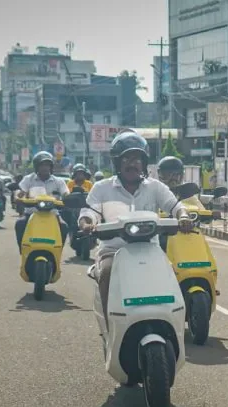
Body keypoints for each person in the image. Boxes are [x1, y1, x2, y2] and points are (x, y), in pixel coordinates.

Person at [78, 131, 192, 314]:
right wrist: (86, 224)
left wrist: (184, 217)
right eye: (127, 159)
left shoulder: (155, 187)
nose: (133, 164)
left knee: (171, 273)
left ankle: (171, 321)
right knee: (106, 273)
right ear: (117, 163)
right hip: (113, 251)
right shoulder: (102, 188)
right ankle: (111, 325)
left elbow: (176, 206)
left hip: (150, 251)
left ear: (144, 163)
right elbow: (89, 212)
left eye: (138, 159)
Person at [13, 152, 70, 251]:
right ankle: (23, 250)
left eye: (47, 165)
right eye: (42, 165)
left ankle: (58, 251)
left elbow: (66, 194)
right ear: (36, 166)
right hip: (31, 213)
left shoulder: (59, 181)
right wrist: (17, 197)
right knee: (19, 224)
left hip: (53, 214)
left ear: (51, 167)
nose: (45, 168)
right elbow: (20, 192)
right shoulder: (28, 179)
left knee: (64, 227)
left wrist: (68, 199)